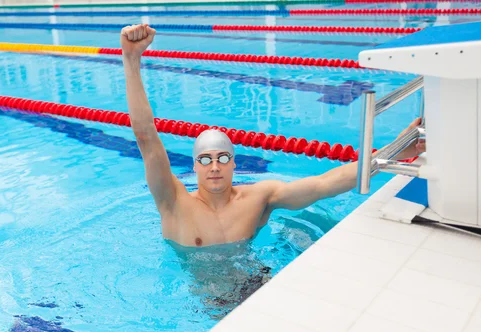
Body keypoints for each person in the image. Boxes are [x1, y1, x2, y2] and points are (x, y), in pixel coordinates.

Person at [121, 24, 425, 248]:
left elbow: (323, 184)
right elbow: (146, 138)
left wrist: (392, 153)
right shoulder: (173, 203)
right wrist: (131, 60)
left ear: (234, 164)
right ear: (195, 166)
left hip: (255, 284)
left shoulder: (259, 198)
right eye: (206, 159)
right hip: (202, 309)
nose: (215, 166)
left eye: (223, 157)